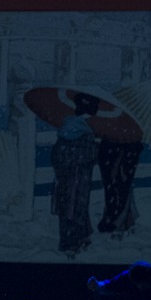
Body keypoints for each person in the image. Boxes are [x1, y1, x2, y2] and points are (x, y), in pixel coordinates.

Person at [51, 92, 100, 257]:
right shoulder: (86, 132)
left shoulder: (65, 128)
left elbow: (55, 155)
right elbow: (90, 156)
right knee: (78, 208)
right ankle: (75, 242)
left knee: (66, 209)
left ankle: (68, 240)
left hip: (63, 177)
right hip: (80, 178)